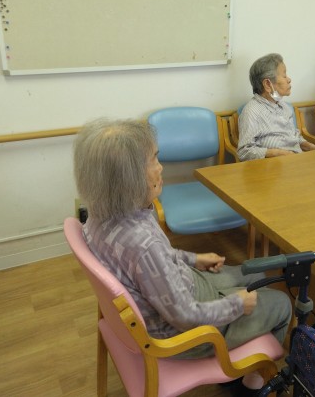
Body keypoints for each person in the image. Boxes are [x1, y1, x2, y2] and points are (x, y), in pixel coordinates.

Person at [73, 118, 292, 395]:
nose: (161, 167)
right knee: (282, 303)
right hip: (185, 332)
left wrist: (192, 259)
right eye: (154, 159)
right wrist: (236, 305)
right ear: (128, 179)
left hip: (178, 288)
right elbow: (186, 316)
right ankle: (248, 386)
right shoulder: (144, 245)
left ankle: (241, 354)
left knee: (257, 274)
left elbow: (155, 261)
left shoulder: (98, 216)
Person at [237, 53, 315, 161]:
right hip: (274, 166)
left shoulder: (284, 106)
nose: (289, 79)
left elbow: (294, 137)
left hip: (295, 160)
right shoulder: (252, 112)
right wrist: (277, 153)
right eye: (284, 76)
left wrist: (311, 147)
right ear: (267, 84)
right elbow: (244, 152)